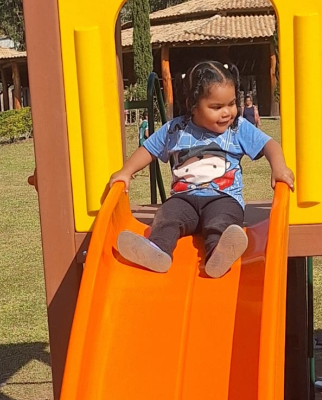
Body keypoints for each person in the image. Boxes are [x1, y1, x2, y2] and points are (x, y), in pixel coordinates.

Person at [109, 60, 294, 279]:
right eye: (216, 107)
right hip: (184, 199)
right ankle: (157, 250)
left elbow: (269, 145)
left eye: (231, 104)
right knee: (167, 217)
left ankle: (219, 253)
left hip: (223, 197)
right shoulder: (175, 129)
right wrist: (126, 171)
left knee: (221, 221)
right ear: (193, 104)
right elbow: (148, 150)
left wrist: (279, 167)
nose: (227, 113)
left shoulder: (238, 128)